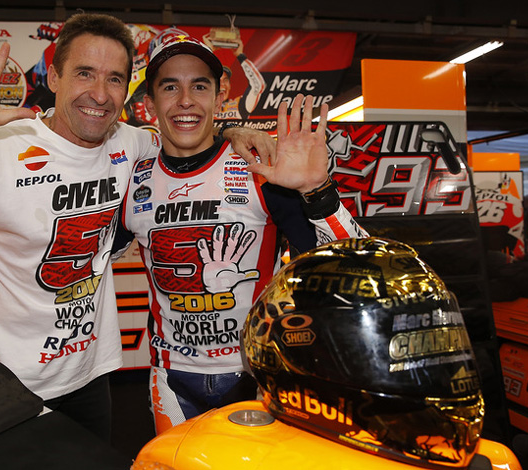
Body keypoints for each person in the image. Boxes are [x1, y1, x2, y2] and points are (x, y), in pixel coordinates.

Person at [0, 13, 270, 441]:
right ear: (54, 77)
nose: (99, 94)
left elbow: (188, 134)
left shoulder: (131, 143)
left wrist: (234, 132)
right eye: (84, 73)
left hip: (90, 379)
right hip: (9, 384)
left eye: (114, 78)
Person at [112, 34, 367, 434]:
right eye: (170, 87)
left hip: (257, 372)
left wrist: (316, 191)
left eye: (199, 86)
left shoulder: (259, 168)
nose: (185, 100)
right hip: (172, 379)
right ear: (150, 101)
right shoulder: (132, 178)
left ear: (219, 97)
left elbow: (355, 267)